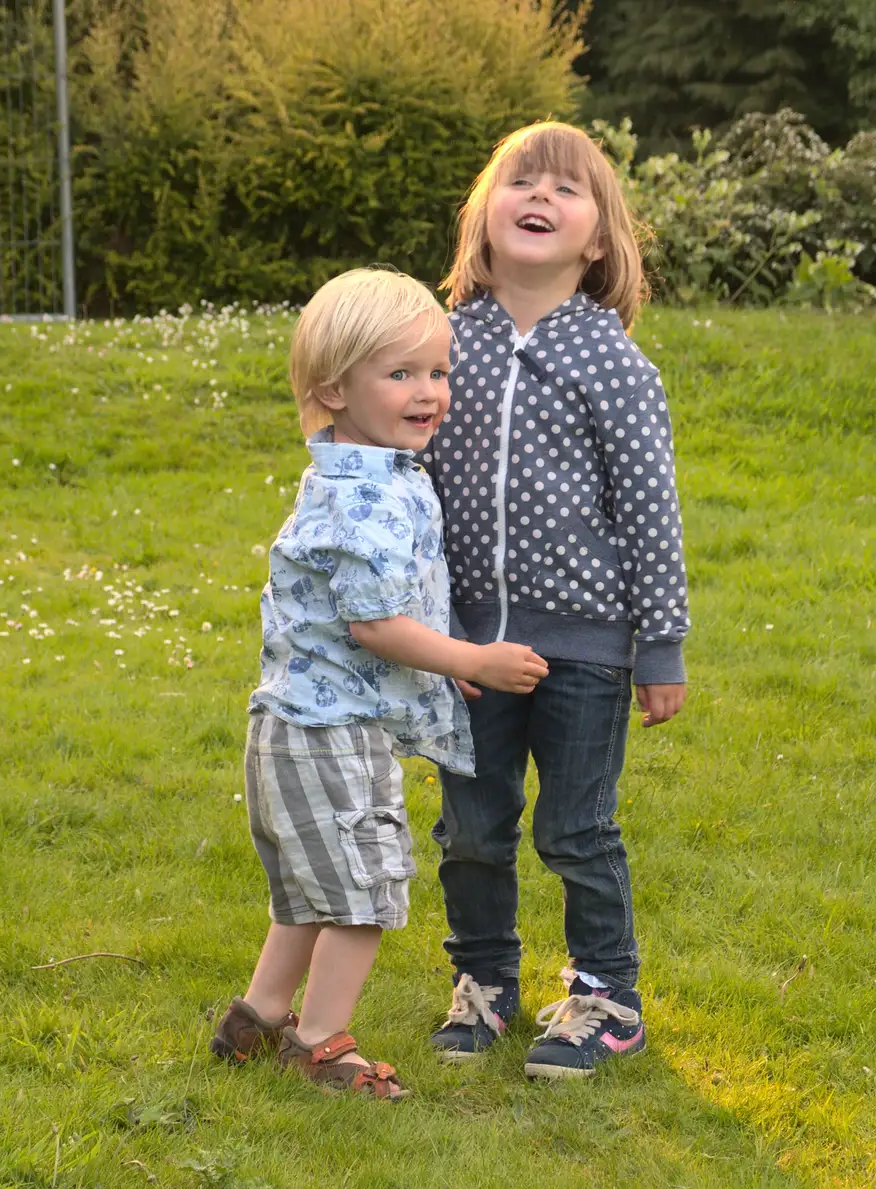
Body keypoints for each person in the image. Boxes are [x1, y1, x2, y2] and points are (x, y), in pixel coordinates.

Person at [210, 267, 548, 1100]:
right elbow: (372, 624)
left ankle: (258, 1015)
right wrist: (471, 659)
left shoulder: (360, 470)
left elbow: (385, 608)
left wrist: (439, 666)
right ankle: (322, 1041)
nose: (429, 391)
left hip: (297, 724)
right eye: (401, 375)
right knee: (363, 893)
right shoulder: (367, 496)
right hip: (330, 733)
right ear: (334, 387)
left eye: (437, 371)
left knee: (312, 890)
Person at [421, 122, 692, 1079]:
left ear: (600, 239)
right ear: (483, 221)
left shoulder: (614, 363)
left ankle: (605, 996)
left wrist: (659, 646)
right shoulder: (441, 346)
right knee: (472, 827)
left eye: (566, 190)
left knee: (577, 827)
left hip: (584, 648)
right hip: (465, 651)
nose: (540, 195)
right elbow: (402, 474)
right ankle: (486, 981)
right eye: (520, 181)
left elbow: (651, 511)